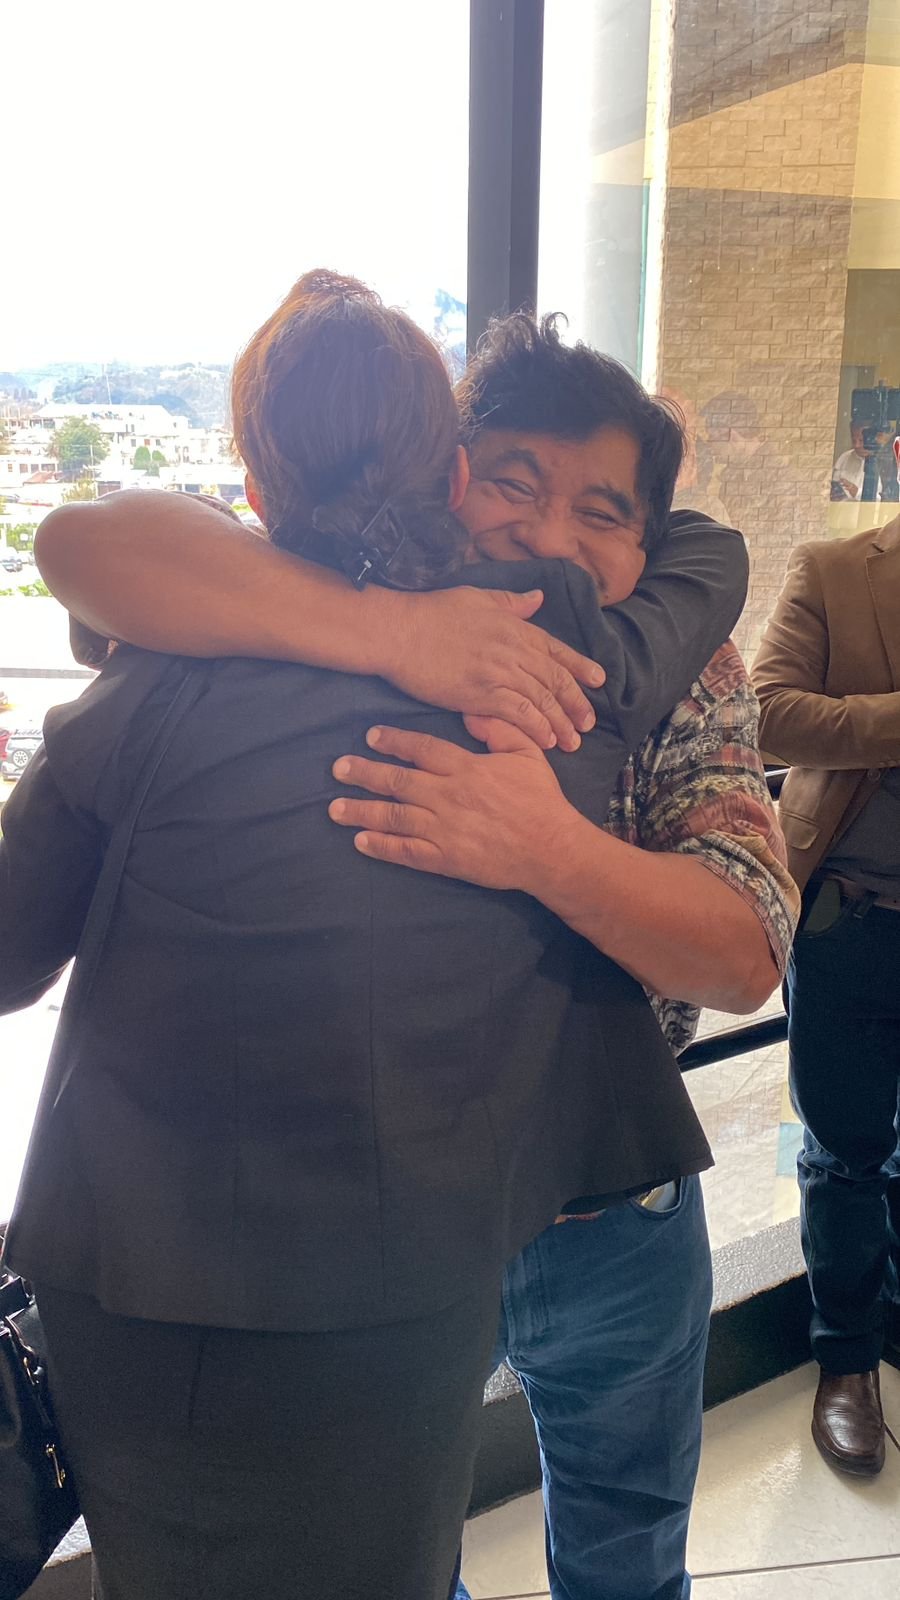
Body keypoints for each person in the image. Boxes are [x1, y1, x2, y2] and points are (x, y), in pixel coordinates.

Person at [1, 272, 745, 1600]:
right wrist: (386, 630)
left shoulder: (168, 662)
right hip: (420, 1246)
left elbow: (747, 955)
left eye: (602, 510)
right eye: (512, 483)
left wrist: (545, 846)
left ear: (252, 478)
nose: (552, 534)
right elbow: (91, 542)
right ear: (451, 473)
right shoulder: (568, 654)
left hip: (226, 1244)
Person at [752, 458, 900, 1479]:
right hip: (852, 922)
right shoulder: (833, 571)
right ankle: (845, 1360)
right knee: (846, 1150)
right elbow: (768, 713)